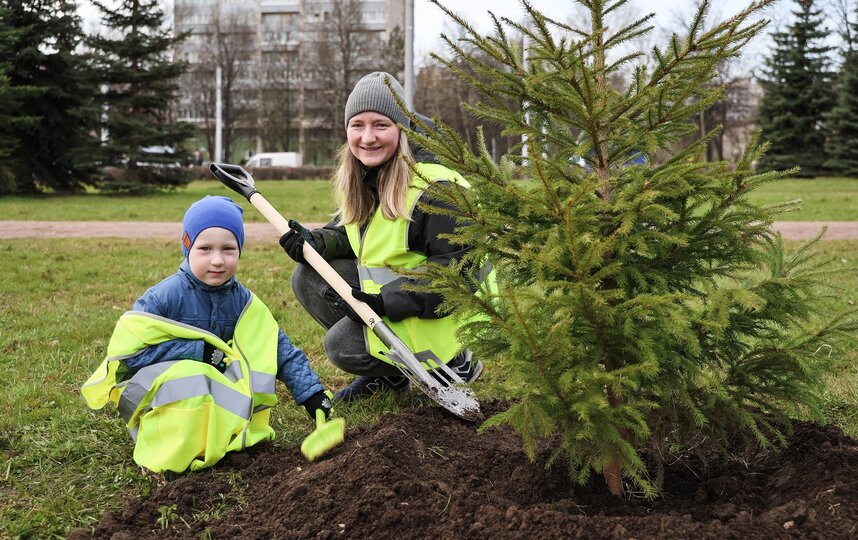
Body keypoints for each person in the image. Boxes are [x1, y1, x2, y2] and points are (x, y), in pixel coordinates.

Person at [81, 195, 333, 473]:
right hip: (159, 405)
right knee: (194, 375)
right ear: (187, 247)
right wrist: (195, 352)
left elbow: (279, 349)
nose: (217, 260)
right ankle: (173, 450)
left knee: (212, 378)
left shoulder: (244, 303)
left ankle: (220, 440)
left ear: (240, 251)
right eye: (204, 248)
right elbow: (132, 355)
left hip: (207, 402)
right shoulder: (162, 299)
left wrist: (312, 394)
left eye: (228, 249)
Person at [279, 71, 484, 403]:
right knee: (307, 277)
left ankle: (453, 360)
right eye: (357, 125)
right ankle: (389, 377)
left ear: (401, 128)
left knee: (342, 345)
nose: (368, 137)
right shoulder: (369, 173)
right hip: (406, 300)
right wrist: (317, 243)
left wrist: (387, 301)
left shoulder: (436, 187)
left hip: (446, 313)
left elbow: (456, 275)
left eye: (381, 125)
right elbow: (355, 233)